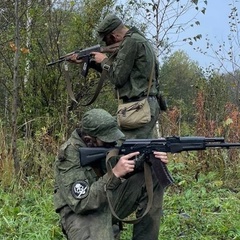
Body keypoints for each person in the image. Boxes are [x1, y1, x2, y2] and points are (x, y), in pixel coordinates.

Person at [54, 108, 168, 240]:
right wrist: (113, 174)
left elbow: (121, 165)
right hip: (80, 215)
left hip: (106, 201)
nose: (112, 143)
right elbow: (81, 204)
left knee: (151, 176)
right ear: (89, 140)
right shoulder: (69, 156)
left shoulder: (104, 144)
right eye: (107, 141)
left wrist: (147, 160)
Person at [69, 14, 161, 139]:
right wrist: (90, 63)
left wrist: (104, 60)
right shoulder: (138, 39)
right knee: (141, 150)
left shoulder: (131, 42)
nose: (107, 44)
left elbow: (118, 78)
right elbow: (116, 72)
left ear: (114, 36)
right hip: (143, 105)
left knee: (124, 147)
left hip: (138, 107)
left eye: (107, 40)